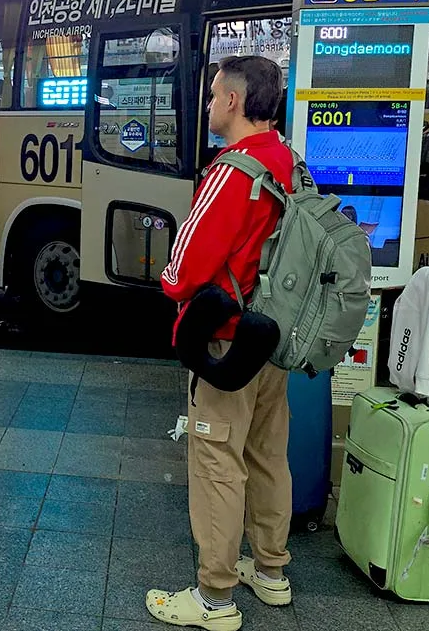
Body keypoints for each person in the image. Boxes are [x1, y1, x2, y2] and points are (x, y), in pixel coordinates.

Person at [146, 55, 297, 631]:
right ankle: (271, 570)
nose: (209, 104)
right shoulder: (289, 160)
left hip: (227, 346)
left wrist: (166, 282)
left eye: (213, 95)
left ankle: (214, 599)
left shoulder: (233, 171)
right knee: (266, 454)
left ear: (232, 101)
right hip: (273, 337)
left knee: (216, 462)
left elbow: (185, 269)